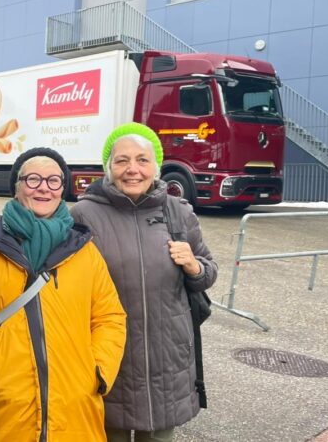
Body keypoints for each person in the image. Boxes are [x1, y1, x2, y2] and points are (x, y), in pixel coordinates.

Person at [0, 147, 127, 442]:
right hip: (4, 410)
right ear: (16, 187)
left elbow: (110, 316)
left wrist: (97, 371)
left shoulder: (84, 251)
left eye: (54, 181)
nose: (43, 188)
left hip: (75, 411)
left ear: (62, 189)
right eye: (33, 179)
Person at [70, 122, 218, 442]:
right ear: (108, 167)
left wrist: (194, 266)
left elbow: (209, 271)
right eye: (122, 160)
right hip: (110, 357)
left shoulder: (179, 212)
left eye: (142, 160)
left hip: (168, 359)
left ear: (156, 167)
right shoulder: (83, 215)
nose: (132, 169)